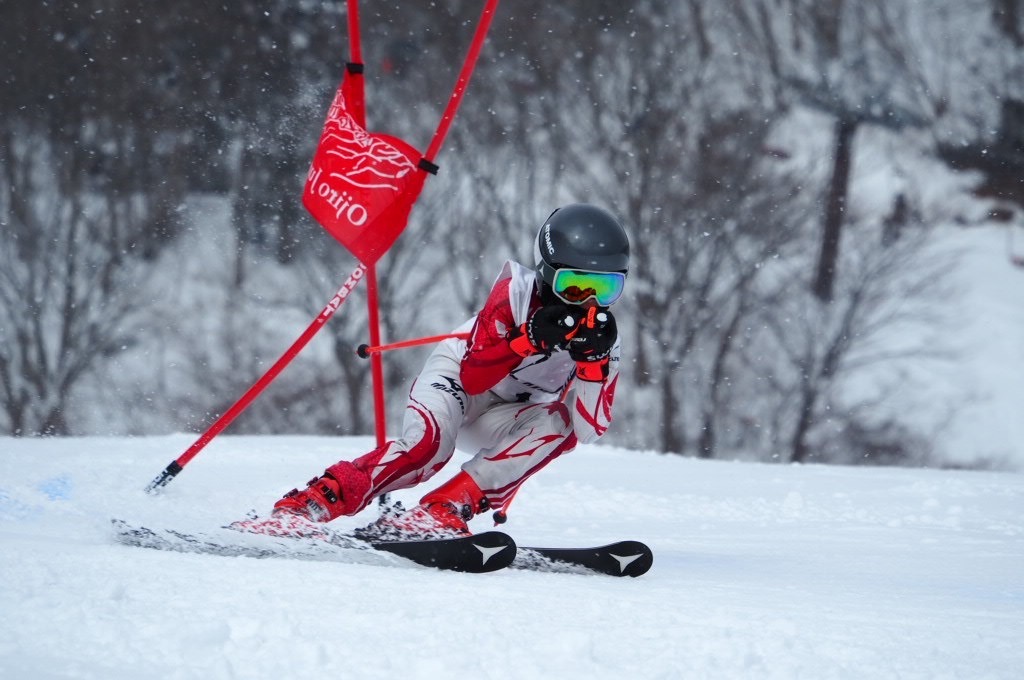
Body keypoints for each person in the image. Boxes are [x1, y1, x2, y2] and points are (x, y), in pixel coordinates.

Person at [271, 203, 629, 538]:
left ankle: (443, 509)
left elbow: (589, 429)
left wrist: (593, 365)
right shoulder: (515, 295)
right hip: (457, 381)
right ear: (547, 273)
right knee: (429, 450)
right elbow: (474, 378)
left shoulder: (603, 338)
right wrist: (527, 340)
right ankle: (315, 501)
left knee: (559, 425)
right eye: (575, 285)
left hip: (507, 412)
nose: (589, 302)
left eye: (606, 288)